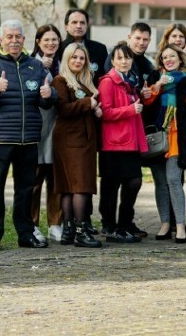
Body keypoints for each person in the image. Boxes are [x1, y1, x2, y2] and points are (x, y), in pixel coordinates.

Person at [0, 20, 55, 251]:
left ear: (23, 39)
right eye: (9, 37)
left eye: (18, 36)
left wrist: (49, 95)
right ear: (1, 39)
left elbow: (46, 101)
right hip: (0, 138)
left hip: (29, 138)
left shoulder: (35, 65)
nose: (14, 41)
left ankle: (25, 234)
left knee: (25, 190)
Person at [142, 44, 186, 243]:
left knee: (174, 180)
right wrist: (157, 86)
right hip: (158, 135)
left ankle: (181, 225)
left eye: (172, 56)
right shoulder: (154, 78)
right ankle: (165, 223)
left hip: (178, 134)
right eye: (165, 56)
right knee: (160, 182)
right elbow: (147, 101)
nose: (169, 59)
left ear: (179, 58)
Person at [51, 43, 103, 248]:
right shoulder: (60, 80)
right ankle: (80, 232)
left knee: (72, 187)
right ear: (67, 59)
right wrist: (88, 104)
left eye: (82, 58)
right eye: (74, 57)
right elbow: (63, 109)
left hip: (84, 140)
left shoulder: (85, 83)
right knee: (78, 186)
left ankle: (69, 231)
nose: (78, 61)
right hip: (70, 140)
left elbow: (86, 108)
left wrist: (95, 111)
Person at [97, 42, 148, 243]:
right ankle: (110, 226)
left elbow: (134, 108)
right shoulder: (108, 82)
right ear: (112, 61)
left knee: (134, 182)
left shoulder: (131, 81)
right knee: (111, 186)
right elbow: (106, 113)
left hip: (131, 141)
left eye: (127, 57)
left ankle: (125, 224)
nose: (124, 61)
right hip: (114, 143)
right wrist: (130, 110)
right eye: (119, 58)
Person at [30, 24, 64, 243]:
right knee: (34, 179)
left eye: (54, 40)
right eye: (47, 40)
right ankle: (32, 224)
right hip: (35, 126)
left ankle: (55, 223)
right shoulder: (29, 63)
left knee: (56, 177)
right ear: (38, 42)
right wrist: (37, 67)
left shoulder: (64, 63)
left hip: (58, 126)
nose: (51, 44)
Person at [61, 8, 109, 84]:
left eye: (82, 23)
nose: (79, 26)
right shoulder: (59, 49)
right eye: (74, 22)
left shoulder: (100, 49)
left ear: (87, 26)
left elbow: (105, 77)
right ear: (66, 26)